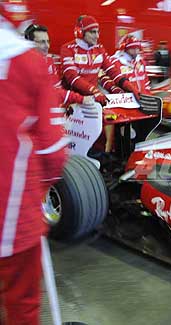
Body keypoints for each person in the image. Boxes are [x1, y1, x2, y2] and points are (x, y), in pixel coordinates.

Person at [0, 1, 67, 324]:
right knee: (22, 304)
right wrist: (43, 190)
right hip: (13, 213)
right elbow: (52, 149)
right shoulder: (31, 64)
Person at [60, 15, 139, 153]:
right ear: (81, 32)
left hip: (94, 101)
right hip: (73, 102)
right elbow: (72, 77)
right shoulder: (68, 48)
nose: (97, 36)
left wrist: (128, 86)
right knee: (76, 143)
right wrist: (94, 91)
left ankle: (107, 156)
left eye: (98, 31)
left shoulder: (100, 49)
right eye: (92, 32)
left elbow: (112, 71)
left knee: (114, 122)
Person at [24, 23, 94, 106]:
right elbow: (49, 93)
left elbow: (57, 90)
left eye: (48, 41)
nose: (47, 46)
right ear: (29, 44)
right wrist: (80, 99)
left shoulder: (48, 61)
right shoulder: (24, 66)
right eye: (42, 42)